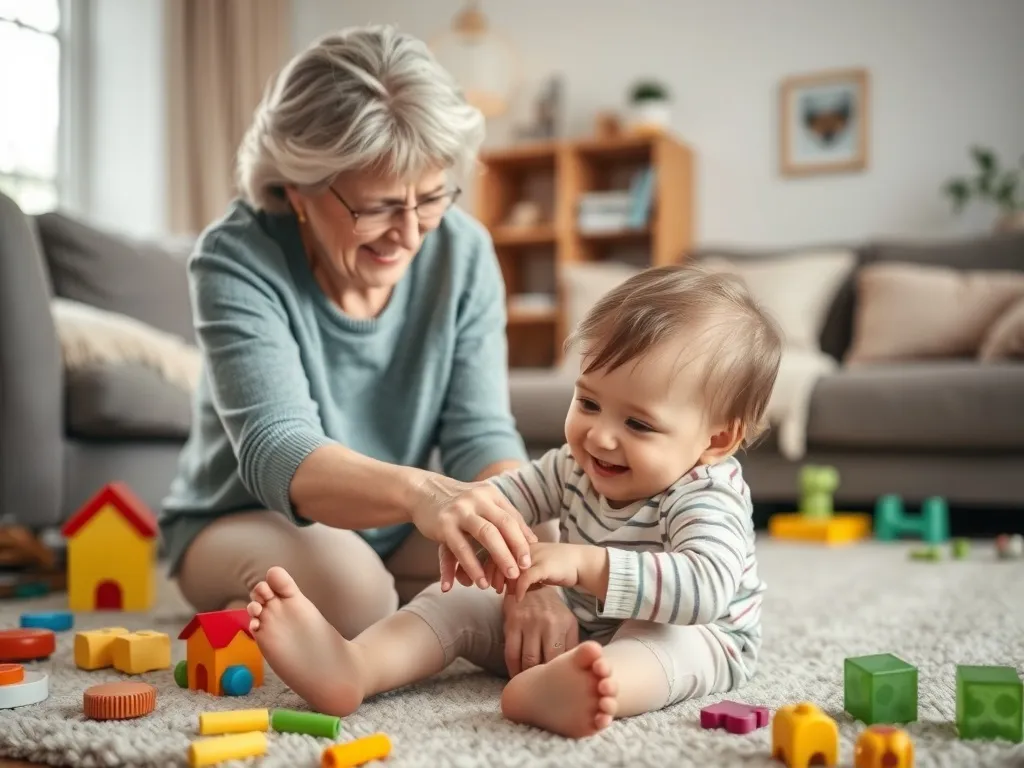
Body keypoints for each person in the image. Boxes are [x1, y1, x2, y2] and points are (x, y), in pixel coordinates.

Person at [161, 24, 584, 672]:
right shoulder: (235, 257)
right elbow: (282, 453)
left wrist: (529, 570)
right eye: (379, 207)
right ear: (299, 188)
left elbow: (480, 434)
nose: (410, 233)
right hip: (240, 516)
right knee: (356, 597)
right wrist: (424, 496)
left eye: (432, 197)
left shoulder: (464, 252)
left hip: (396, 522)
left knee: (545, 556)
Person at [245, 263, 784, 738]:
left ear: (715, 440)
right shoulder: (574, 463)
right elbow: (502, 499)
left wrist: (584, 563)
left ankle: (583, 689)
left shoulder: (706, 496)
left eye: (638, 423)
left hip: (696, 630)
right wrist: (474, 528)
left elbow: (706, 589)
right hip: (581, 619)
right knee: (455, 599)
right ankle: (355, 665)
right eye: (589, 402)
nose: (600, 436)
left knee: (662, 643)